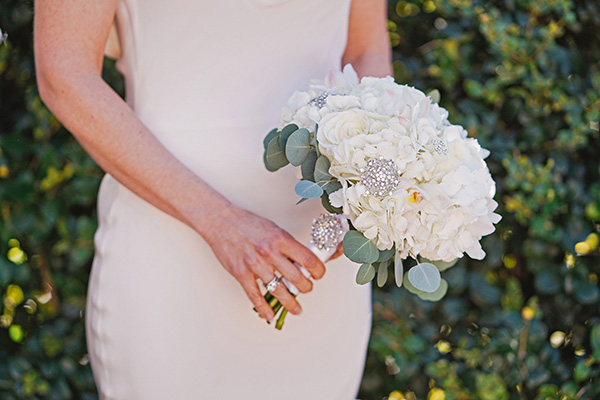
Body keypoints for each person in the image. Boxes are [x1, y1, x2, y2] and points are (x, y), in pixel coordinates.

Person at [34, 0, 391, 398]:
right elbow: (64, 74)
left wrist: (370, 184)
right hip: (169, 242)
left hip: (320, 250)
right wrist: (221, 222)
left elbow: (364, 50)